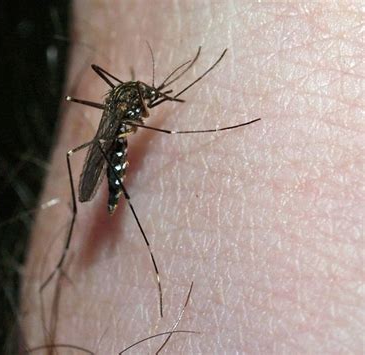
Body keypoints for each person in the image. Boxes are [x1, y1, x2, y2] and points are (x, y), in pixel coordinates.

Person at [22, 2, 363, 353]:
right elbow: (133, 116)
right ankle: (117, 243)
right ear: (136, 100)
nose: (152, 99)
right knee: (111, 165)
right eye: (148, 96)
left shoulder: (130, 95)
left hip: (117, 121)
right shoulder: (126, 108)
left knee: (84, 148)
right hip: (112, 146)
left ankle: (70, 247)